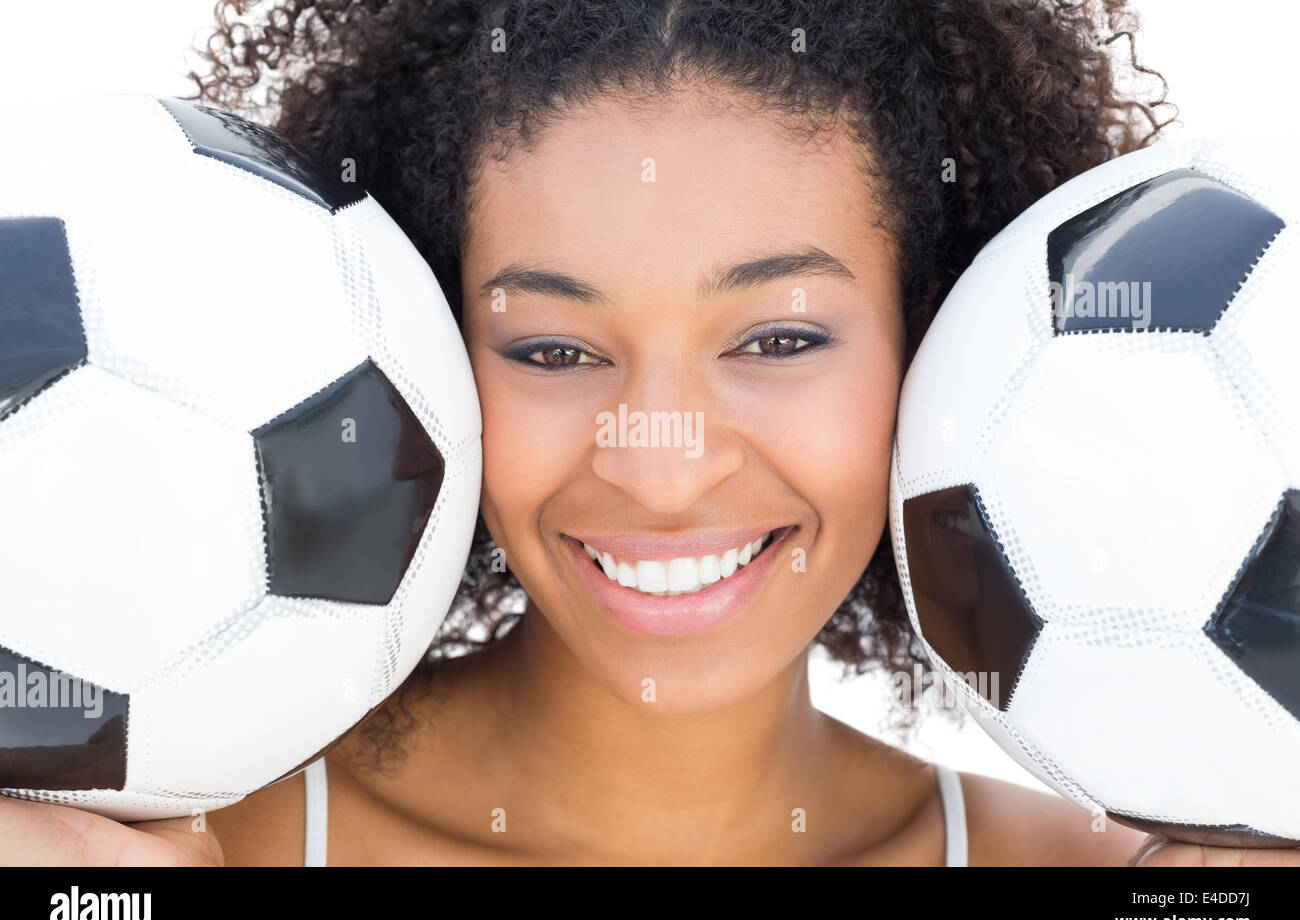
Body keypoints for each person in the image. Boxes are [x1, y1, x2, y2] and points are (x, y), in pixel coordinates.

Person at [3, 0, 1294, 866]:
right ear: (421, 359)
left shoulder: (1124, 879)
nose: (665, 464)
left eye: (779, 340)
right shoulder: (172, 851)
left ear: (944, 339)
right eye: (553, 351)